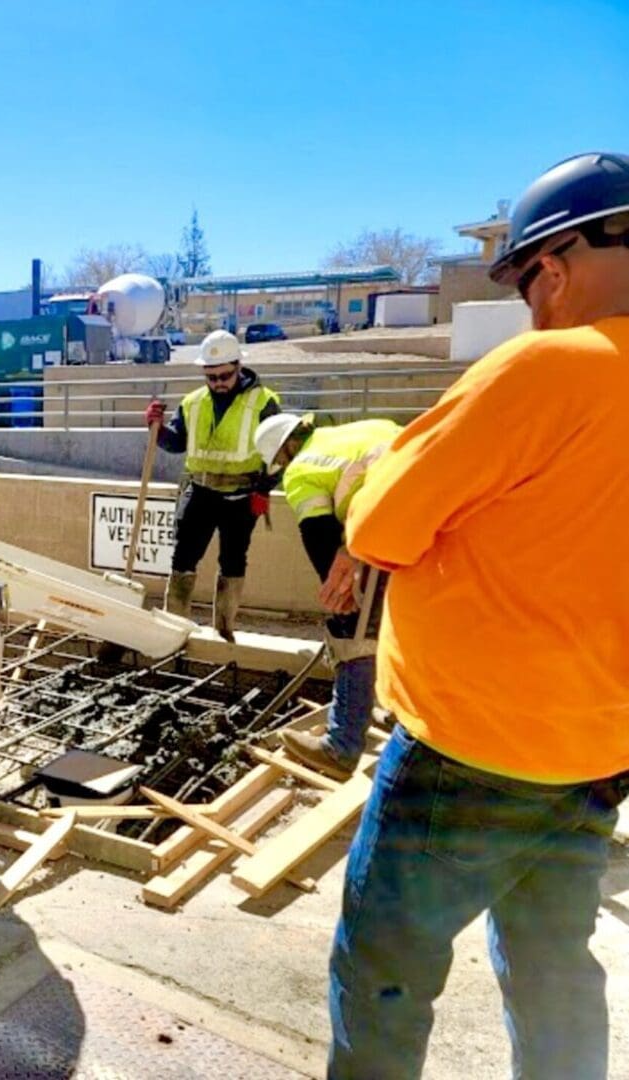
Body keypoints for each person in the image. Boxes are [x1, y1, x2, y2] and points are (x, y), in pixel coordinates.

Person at [327, 152, 629, 1078]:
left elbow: (382, 521)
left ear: (559, 260)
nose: (532, 306)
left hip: (472, 749)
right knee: (550, 967)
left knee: (385, 966)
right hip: (599, 748)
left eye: (528, 280)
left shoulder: (553, 364)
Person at [254, 413, 401, 779]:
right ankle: (406, 713)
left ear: (286, 450)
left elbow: (318, 535)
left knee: (350, 628)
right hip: (443, 515)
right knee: (407, 621)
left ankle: (340, 747)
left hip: (394, 519)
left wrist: (341, 593)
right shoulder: (365, 428)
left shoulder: (301, 469)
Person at [144, 329, 280, 640]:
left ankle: (224, 629)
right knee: (183, 558)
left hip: (242, 496)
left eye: (224, 376)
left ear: (238, 366)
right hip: (201, 493)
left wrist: (264, 488)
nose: (218, 383)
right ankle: (173, 628)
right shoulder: (193, 403)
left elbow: (281, 451)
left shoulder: (264, 402)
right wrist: (158, 429)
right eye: (211, 377)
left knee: (233, 561)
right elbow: (177, 443)